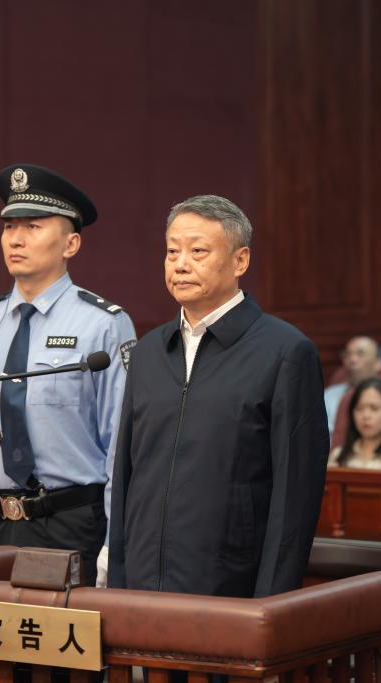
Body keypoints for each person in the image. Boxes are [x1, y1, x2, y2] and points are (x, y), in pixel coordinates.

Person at [105, 194, 329, 598]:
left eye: (198, 251)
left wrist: (270, 605)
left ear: (240, 261)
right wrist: (119, 584)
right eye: (172, 251)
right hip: (140, 586)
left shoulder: (284, 352)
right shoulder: (149, 352)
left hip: (229, 587)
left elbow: (295, 499)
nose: (180, 264)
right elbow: (126, 478)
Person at [0, 164, 136, 586]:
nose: (16, 239)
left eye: (33, 227)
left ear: (71, 243)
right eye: (9, 227)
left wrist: (114, 540)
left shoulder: (104, 324)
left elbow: (121, 445)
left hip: (70, 523)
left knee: (60, 632)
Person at [324, 336, 381, 432]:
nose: (352, 360)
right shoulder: (329, 396)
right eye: (347, 354)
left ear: (378, 363)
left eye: (361, 354)